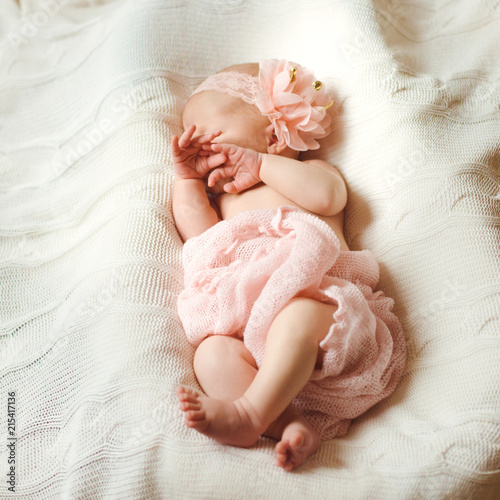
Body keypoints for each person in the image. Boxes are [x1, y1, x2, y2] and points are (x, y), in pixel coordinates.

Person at [172, 59, 406, 472]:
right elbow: (199, 237)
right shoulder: (224, 202)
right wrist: (185, 178)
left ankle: (248, 415)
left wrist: (261, 165)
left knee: (294, 315)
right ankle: (288, 423)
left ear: (274, 134)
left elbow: (328, 197)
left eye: (214, 137)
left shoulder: (307, 171)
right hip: (257, 348)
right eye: (196, 149)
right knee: (211, 354)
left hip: (324, 316)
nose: (204, 151)